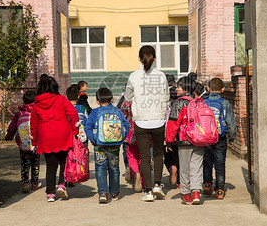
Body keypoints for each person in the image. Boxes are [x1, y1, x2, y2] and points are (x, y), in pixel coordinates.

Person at [124, 45, 169, 202]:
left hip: (141, 121)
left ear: (139, 58)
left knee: (144, 157)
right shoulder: (162, 76)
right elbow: (167, 97)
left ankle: (148, 192)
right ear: (154, 58)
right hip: (158, 119)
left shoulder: (134, 76)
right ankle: (158, 184)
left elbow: (128, 98)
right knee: (158, 154)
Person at [31, 74, 79, 202]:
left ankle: (50, 194)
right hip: (63, 135)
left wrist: (34, 141)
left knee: (50, 166)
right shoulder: (61, 99)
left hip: (46, 139)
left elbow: (34, 125)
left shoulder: (36, 105)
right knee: (64, 162)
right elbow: (73, 113)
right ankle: (62, 185)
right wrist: (75, 130)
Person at [84, 87, 130, 203]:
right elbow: (126, 126)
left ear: (98, 101)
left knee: (100, 168)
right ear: (112, 99)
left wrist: (94, 140)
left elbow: (88, 127)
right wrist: (120, 138)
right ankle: (114, 193)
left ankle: (103, 193)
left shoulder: (95, 112)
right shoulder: (118, 111)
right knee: (114, 168)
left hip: (99, 145)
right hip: (115, 145)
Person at [165, 76, 204, 205]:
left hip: (184, 141)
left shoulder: (178, 103)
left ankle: (186, 195)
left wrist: (169, 140)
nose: (177, 89)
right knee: (197, 167)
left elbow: (173, 123)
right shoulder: (199, 102)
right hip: (199, 140)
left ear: (186, 89)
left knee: (184, 168)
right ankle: (196, 193)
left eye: (180, 87)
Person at [202, 78, 236, 199]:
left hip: (206, 138)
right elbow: (231, 124)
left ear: (208, 89)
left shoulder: (203, 102)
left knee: (207, 161)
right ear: (222, 89)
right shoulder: (225, 103)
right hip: (220, 138)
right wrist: (231, 139)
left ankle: (207, 185)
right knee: (220, 164)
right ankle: (220, 190)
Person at [5, 90, 40, 193]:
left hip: (23, 144)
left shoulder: (19, 113)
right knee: (35, 163)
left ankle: (25, 183)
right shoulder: (38, 112)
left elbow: (12, 127)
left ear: (24, 101)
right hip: (36, 144)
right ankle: (34, 183)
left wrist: (8, 137)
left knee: (25, 164)